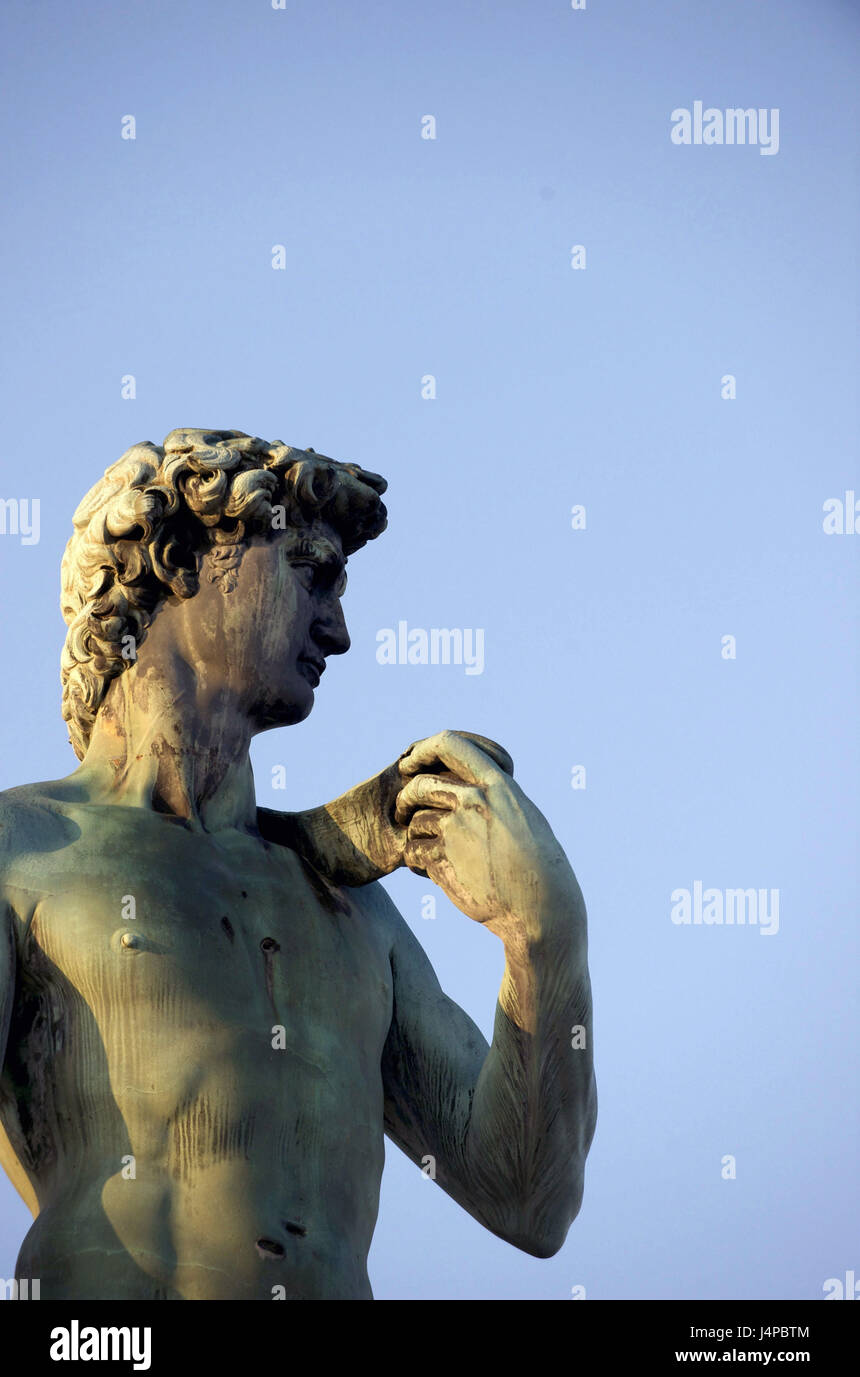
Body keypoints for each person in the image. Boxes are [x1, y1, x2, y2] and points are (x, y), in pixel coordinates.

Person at [0, 428, 596, 1299]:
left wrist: (545, 937)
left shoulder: (346, 904)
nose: (341, 631)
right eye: (312, 573)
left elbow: (527, 1202)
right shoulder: (24, 850)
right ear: (182, 561)